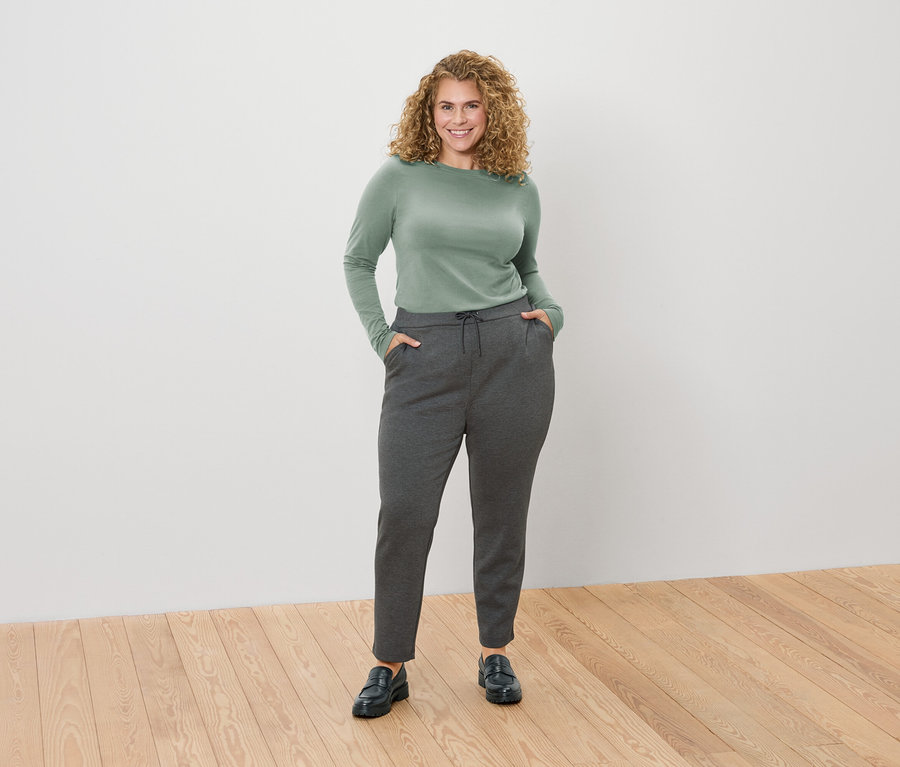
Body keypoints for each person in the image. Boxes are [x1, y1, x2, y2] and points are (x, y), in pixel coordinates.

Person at [343, 50, 563, 718]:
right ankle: (389, 662)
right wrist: (384, 336)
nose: (459, 117)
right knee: (405, 512)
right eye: (446, 105)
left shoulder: (517, 184)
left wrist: (550, 315)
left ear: (490, 109)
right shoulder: (399, 178)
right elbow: (357, 259)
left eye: (471, 104)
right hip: (425, 357)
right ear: (427, 111)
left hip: (511, 355)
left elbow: (526, 265)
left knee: (501, 512)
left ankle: (495, 649)